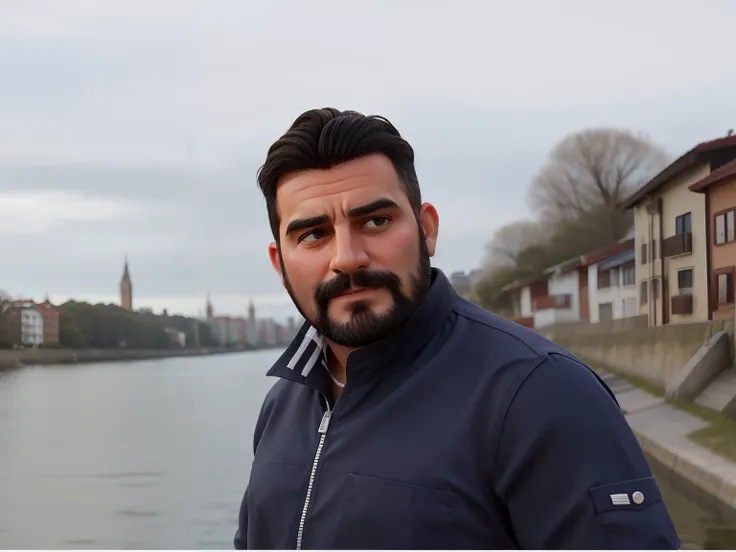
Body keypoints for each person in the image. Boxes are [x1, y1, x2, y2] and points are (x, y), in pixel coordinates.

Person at [233, 107, 680, 550]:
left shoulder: (539, 394)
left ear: (426, 230)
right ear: (280, 263)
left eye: (375, 221)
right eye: (313, 234)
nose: (347, 257)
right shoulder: (283, 404)